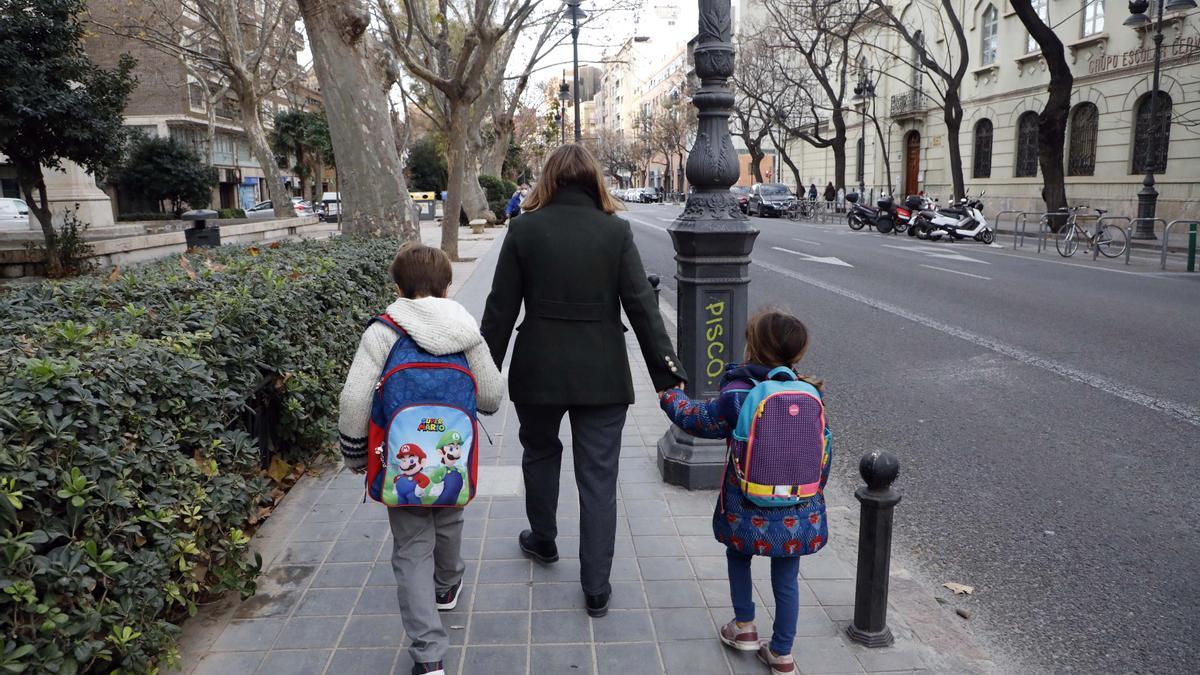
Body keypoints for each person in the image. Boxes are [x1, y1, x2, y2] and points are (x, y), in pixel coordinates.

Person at [481, 144, 686, 618]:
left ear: (547, 180)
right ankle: (596, 586)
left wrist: (482, 372)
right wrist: (667, 376)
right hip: (603, 372)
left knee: (538, 453)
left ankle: (544, 539)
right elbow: (642, 307)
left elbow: (499, 309)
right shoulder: (615, 232)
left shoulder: (524, 229)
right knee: (598, 476)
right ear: (595, 181)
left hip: (538, 368)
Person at [338, 242, 504, 675]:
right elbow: (491, 396)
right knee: (449, 519)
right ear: (447, 287)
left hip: (400, 464)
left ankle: (429, 655)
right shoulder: (465, 329)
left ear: (397, 287)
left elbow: (355, 395)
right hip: (453, 461)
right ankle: (447, 587)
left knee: (411, 547)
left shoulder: (384, 330)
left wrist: (355, 452)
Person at [657, 310, 831, 675]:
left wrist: (670, 397)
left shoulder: (738, 392)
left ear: (752, 345)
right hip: (797, 504)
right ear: (797, 353)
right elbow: (823, 454)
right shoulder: (810, 391)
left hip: (745, 500)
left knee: (739, 556)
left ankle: (744, 626)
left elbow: (698, 420)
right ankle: (782, 654)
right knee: (787, 577)